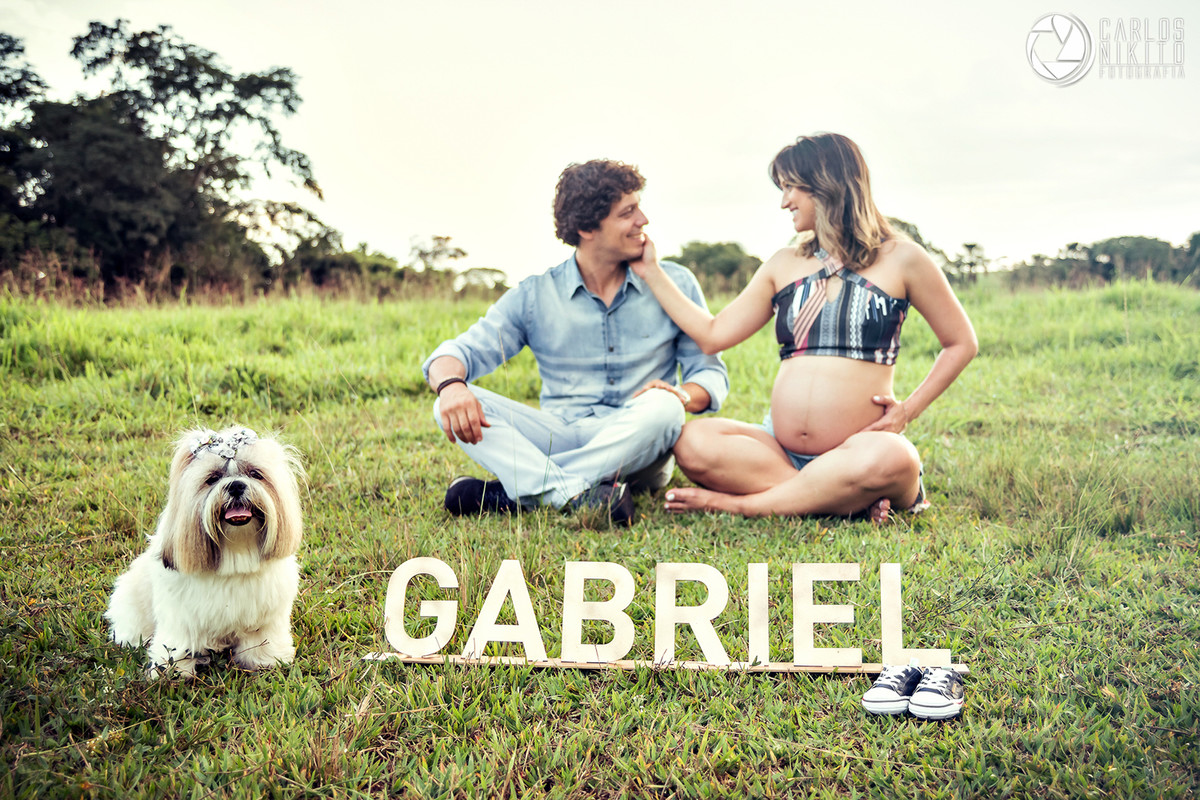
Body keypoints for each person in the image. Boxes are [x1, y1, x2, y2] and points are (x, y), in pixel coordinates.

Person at [628, 133, 978, 521]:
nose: (784, 201)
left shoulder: (904, 258)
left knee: (896, 457)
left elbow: (961, 342)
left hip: (860, 451)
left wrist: (906, 412)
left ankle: (744, 505)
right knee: (694, 440)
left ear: (827, 183)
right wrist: (651, 271)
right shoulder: (784, 263)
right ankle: (836, 498)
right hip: (779, 451)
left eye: (792, 187)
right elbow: (714, 334)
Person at [422, 159, 729, 526]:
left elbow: (710, 374)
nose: (643, 220)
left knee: (665, 407)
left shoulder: (673, 281)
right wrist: (452, 386)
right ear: (587, 227)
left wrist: (680, 396)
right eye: (628, 212)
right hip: (560, 434)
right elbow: (456, 353)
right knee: (445, 405)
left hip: (641, 445)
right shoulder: (536, 294)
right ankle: (572, 494)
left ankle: (520, 490)